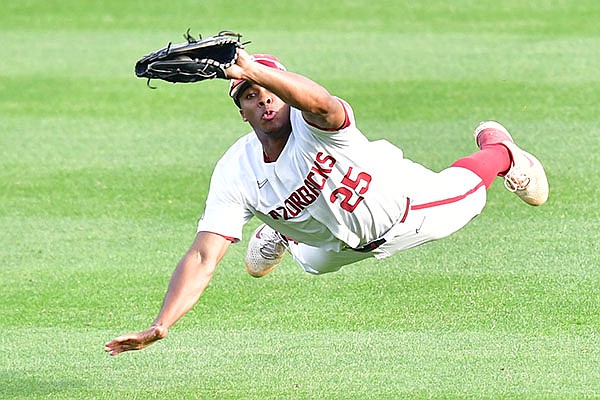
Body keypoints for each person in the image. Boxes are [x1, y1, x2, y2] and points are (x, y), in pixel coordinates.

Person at [104, 48, 548, 356]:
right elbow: (203, 256)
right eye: (249, 97)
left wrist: (250, 69)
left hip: (407, 207)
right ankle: (281, 227)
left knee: (467, 190)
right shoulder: (234, 171)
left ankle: (505, 151)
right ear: (241, 113)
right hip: (331, 243)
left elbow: (320, 101)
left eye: (268, 90)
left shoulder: (317, 122)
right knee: (314, 262)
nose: (263, 101)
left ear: (285, 90)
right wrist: (163, 322)